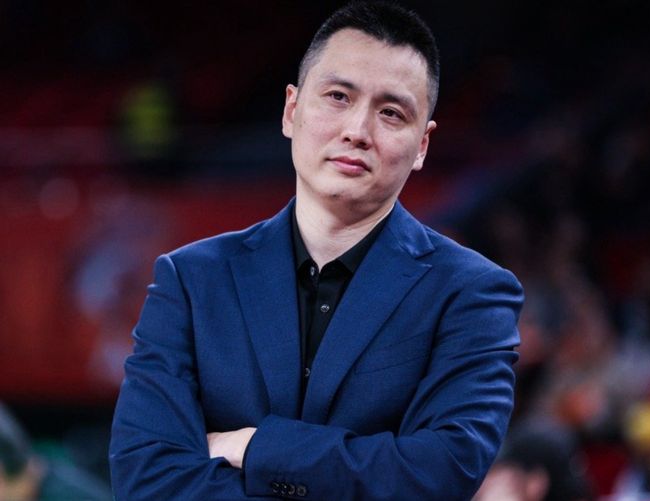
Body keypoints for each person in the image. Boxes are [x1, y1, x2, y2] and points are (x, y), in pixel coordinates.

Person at [109, 2, 524, 499]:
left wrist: (257, 447)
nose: (357, 131)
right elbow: (146, 477)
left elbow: (439, 473)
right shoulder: (190, 281)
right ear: (291, 110)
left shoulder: (472, 294)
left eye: (391, 113)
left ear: (421, 146)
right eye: (338, 97)